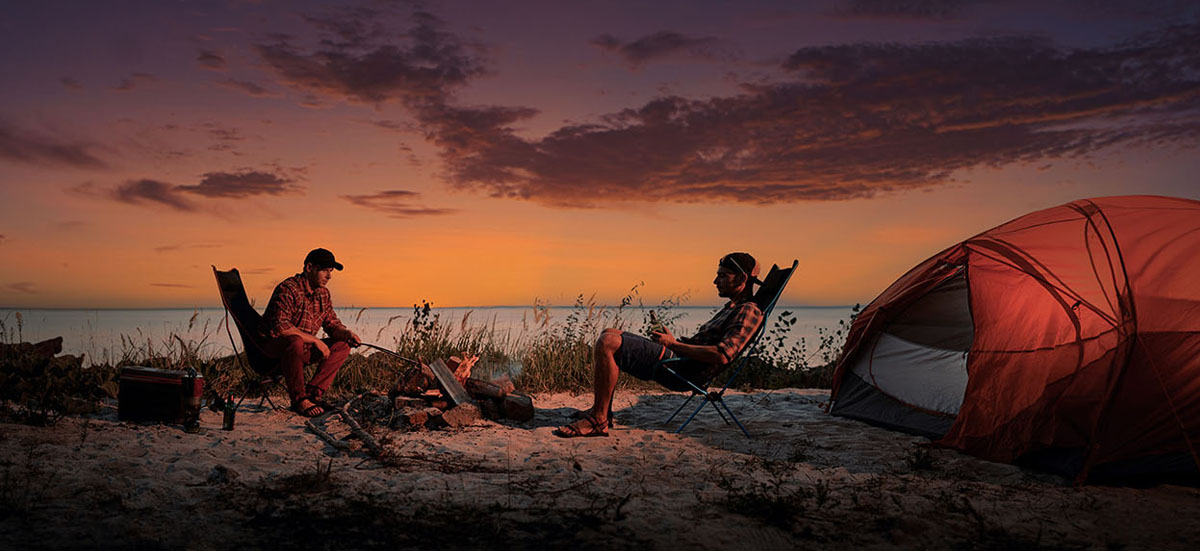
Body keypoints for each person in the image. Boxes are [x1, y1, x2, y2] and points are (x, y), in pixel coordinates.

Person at [553, 252, 764, 438]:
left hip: (684, 369)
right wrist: (674, 341)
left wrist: (673, 345)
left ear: (742, 278)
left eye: (722, 275)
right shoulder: (733, 308)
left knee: (608, 343)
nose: (715, 281)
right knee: (610, 333)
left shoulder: (748, 311)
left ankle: (599, 420)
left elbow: (722, 355)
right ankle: (602, 410)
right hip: (680, 359)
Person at [260, 248, 361, 417]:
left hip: (301, 351)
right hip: (270, 351)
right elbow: (281, 327)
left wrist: (347, 333)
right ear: (309, 268)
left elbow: (332, 324)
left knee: (342, 345)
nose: (329, 276)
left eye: (330, 271)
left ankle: (313, 394)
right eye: (324, 270)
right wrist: (316, 341)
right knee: (295, 341)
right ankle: (299, 400)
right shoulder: (288, 288)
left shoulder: (323, 294)